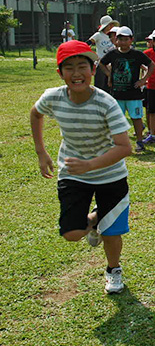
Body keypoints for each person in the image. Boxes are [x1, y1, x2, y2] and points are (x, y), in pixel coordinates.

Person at [30, 40, 133, 294]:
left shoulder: (106, 103)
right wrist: (41, 152)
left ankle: (113, 270)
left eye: (82, 67)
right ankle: (95, 219)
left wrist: (90, 165)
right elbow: (35, 113)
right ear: (60, 73)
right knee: (72, 233)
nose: (76, 74)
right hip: (74, 174)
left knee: (111, 232)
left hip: (110, 175)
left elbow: (124, 147)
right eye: (69, 68)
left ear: (93, 69)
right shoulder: (53, 97)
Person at [98, 26, 155, 153]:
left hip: (133, 94)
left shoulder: (137, 54)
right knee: (117, 120)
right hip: (117, 94)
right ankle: (118, 143)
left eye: (126, 39)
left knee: (136, 118)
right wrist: (109, 75)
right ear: (116, 40)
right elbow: (101, 63)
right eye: (120, 39)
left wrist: (143, 80)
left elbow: (152, 65)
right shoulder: (112, 54)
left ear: (131, 40)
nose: (123, 42)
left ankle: (139, 141)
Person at [88, 15, 119, 91]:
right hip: (101, 64)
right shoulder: (98, 35)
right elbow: (88, 44)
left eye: (112, 24)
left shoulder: (114, 35)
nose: (111, 26)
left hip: (112, 64)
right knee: (100, 85)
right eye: (110, 24)